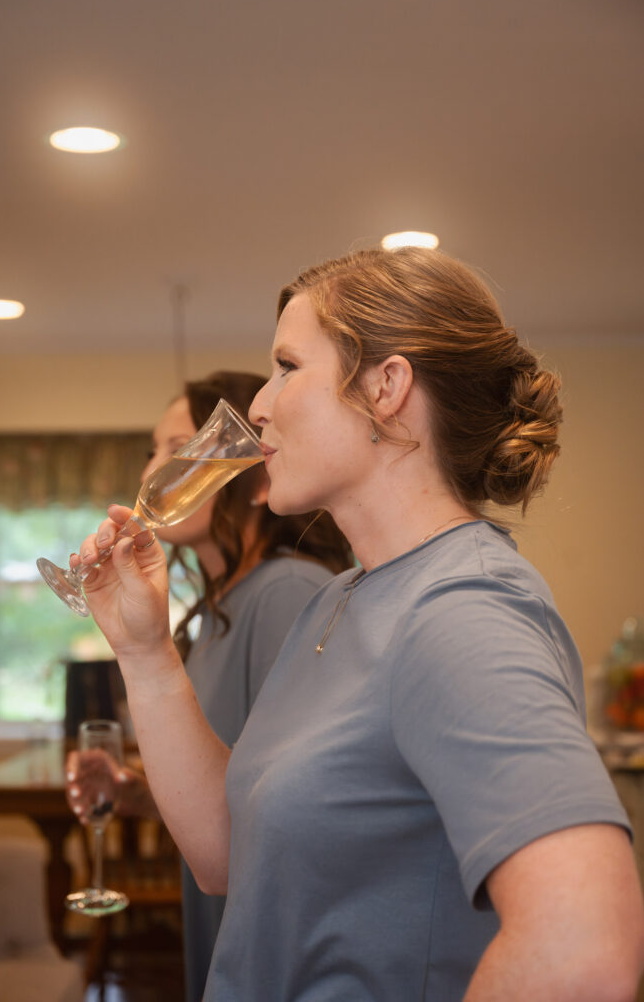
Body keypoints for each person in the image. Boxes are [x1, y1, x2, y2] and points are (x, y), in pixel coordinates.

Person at [71, 248, 644, 1000]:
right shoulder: (337, 599)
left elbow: (582, 949)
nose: (261, 406)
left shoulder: (460, 607)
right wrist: (144, 651)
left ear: (385, 387)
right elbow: (226, 855)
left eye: (285, 366)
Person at [65, 370, 353, 1002]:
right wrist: (139, 796)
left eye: (179, 449)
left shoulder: (286, 593)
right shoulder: (215, 610)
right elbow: (235, 784)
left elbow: (286, 824)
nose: (156, 469)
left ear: (252, 479)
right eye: (155, 451)